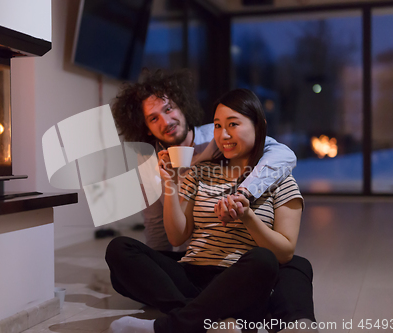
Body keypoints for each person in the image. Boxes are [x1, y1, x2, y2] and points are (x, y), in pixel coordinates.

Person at [107, 89, 317, 333]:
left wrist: (247, 216)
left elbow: (285, 252)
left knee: (268, 260)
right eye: (217, 125)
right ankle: (211, 319)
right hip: (193, 272)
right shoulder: (200, 171)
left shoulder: (279, 178)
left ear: (259, 126)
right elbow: (176, 237)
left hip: (241, 277)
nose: (223, 134)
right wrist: (170, 184)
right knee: (120, 249)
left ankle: (174, 326)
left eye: (233, 124)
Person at [111, 69, 296, 254]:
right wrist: (157, 267)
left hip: (233, 251)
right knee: (121, 251)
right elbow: (156, 225)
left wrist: (244, 193)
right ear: (147, 129)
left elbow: (280, 152)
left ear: (181, 106)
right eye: (154, 118)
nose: (166, 122)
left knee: (292, 267)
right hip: (190, 253)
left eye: (168, 109)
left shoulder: (217, 137)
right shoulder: (148, 161)